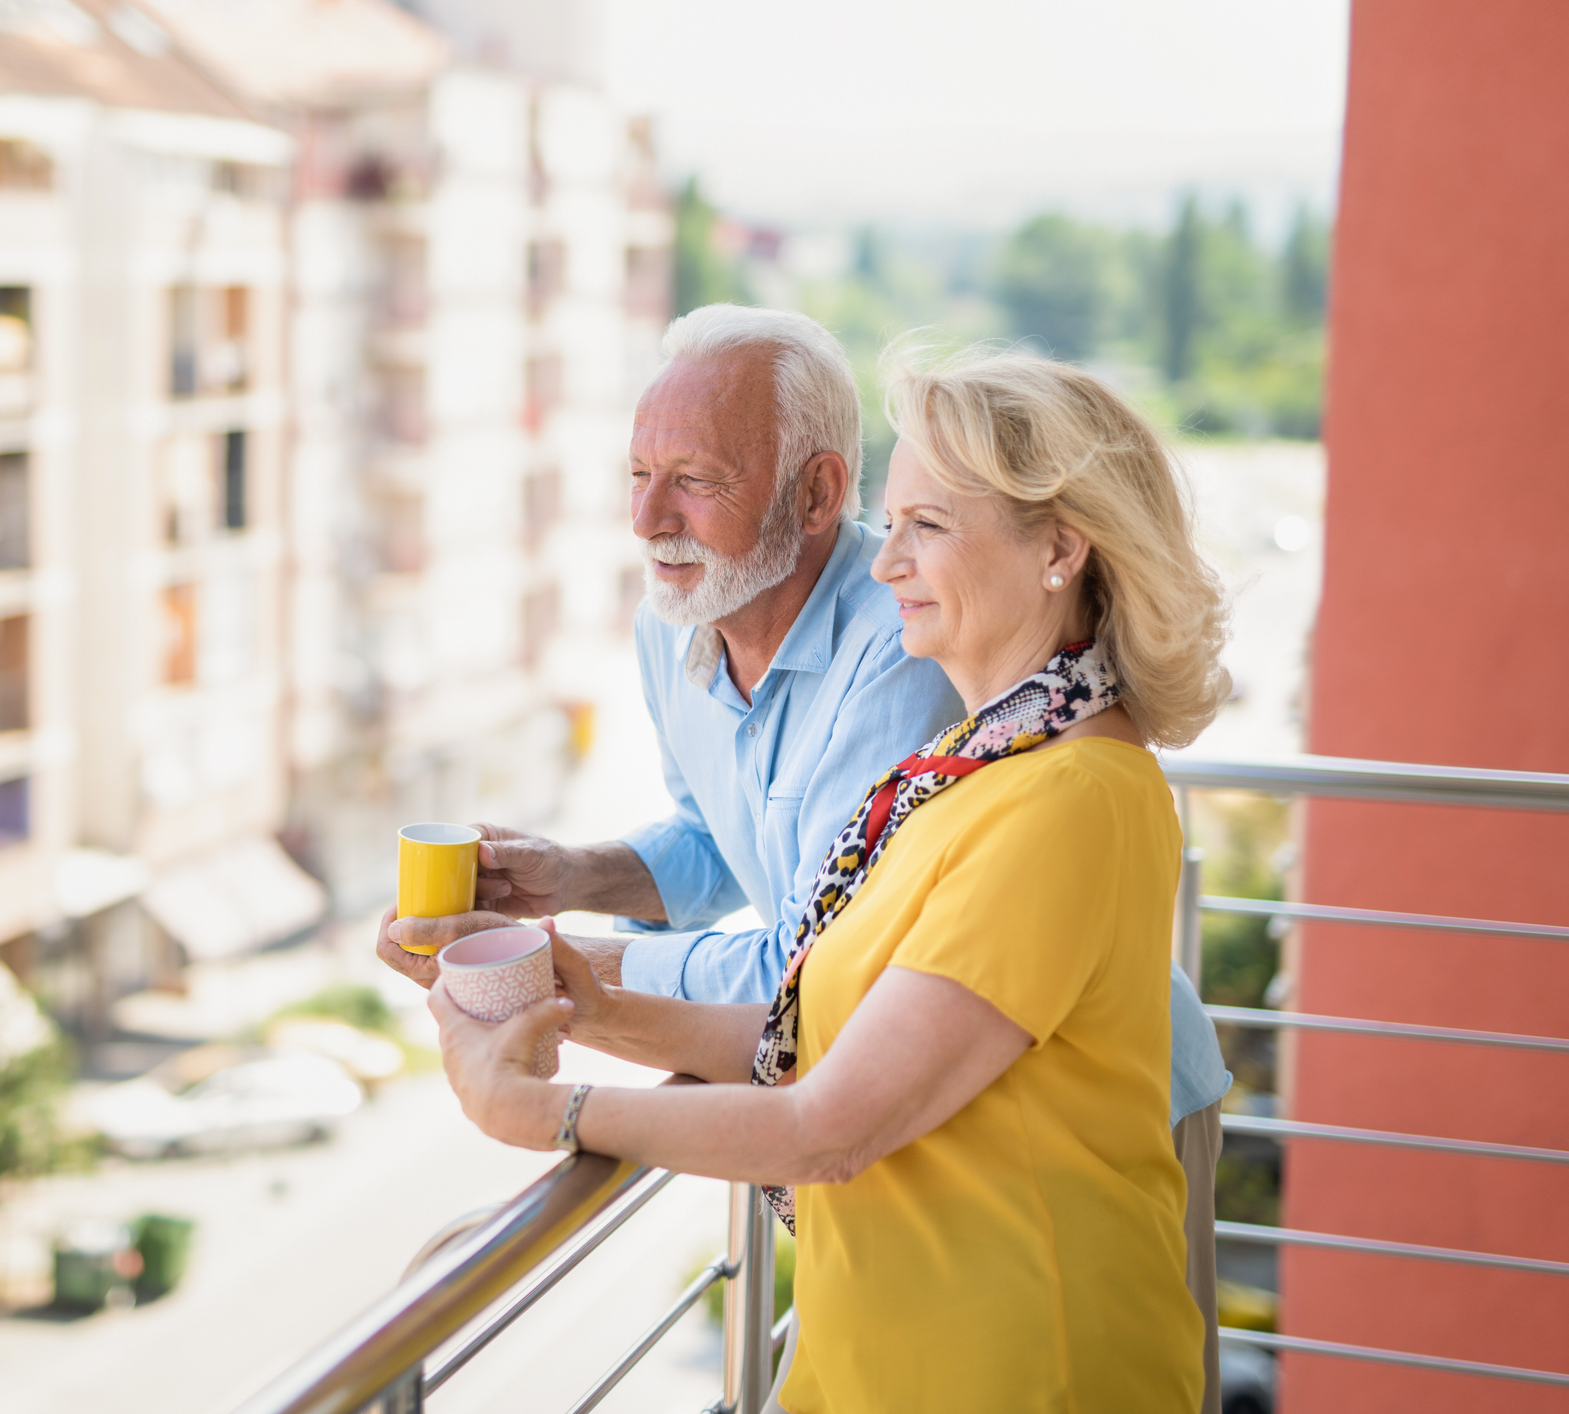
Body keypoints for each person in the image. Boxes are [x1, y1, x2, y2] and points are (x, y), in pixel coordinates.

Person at [377, 306, 1231, 1409]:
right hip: (890, 1332)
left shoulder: (1061, 792)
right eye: (896, 523)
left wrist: (544, 1110)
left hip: (1020, 1354)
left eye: (925, 526)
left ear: (1059, 549)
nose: (888, 568)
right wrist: (562, 983)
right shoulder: (974, 762)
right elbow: (815, 1020)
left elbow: (826, 1122)